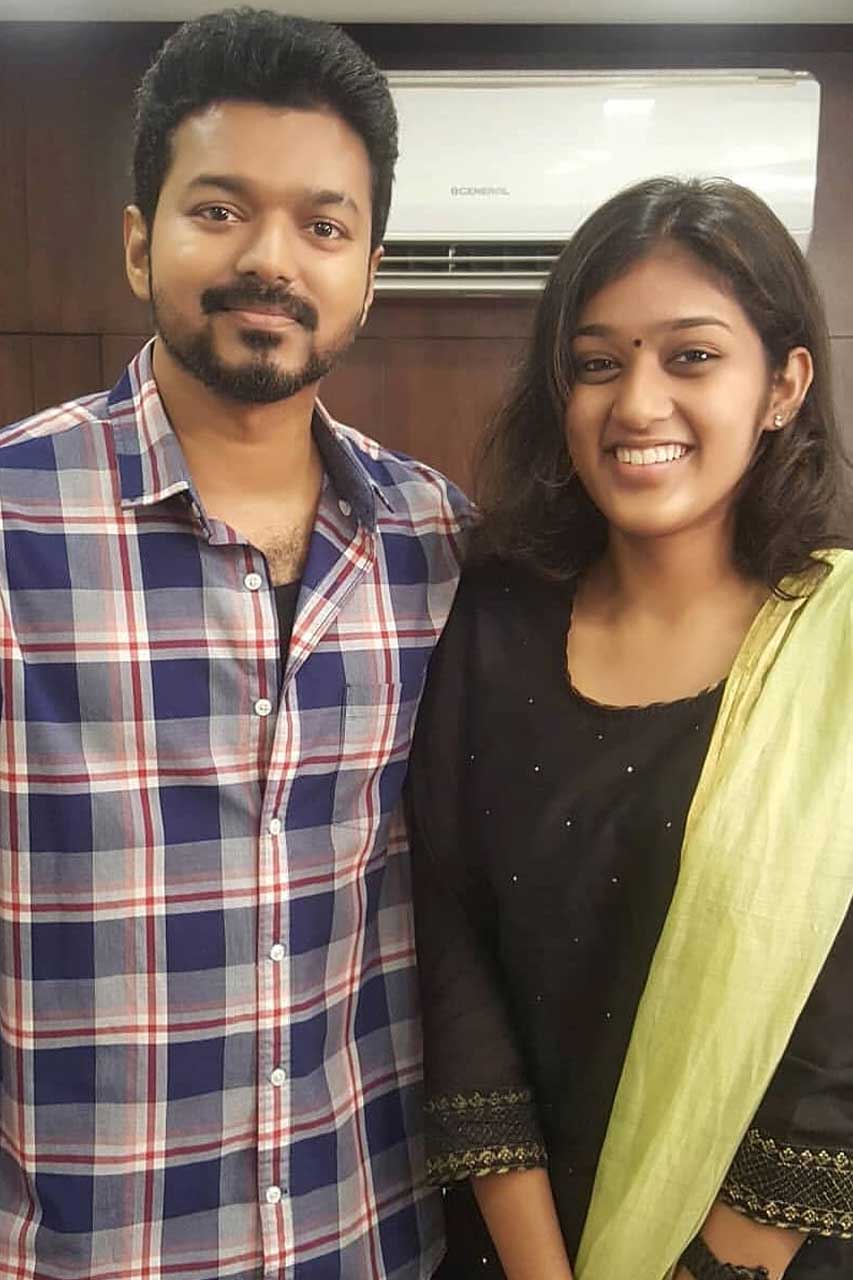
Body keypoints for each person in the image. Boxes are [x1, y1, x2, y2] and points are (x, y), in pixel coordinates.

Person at [0, 9, 469, 1279]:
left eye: (324, 226)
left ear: (368, 270)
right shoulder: (14, 519)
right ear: (139, 241)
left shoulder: (438, 543)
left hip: (363, 1239)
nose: (272, 259)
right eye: (219, 210)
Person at [408, 177, 853, 1280]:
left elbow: (833, 1042)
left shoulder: (836, 646)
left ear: (783, 384)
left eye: (691, 357)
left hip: (773, 1247)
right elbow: (453, 936)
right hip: (513, 1240)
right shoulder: (494, 615)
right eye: (598, 363)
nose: (638, 403)